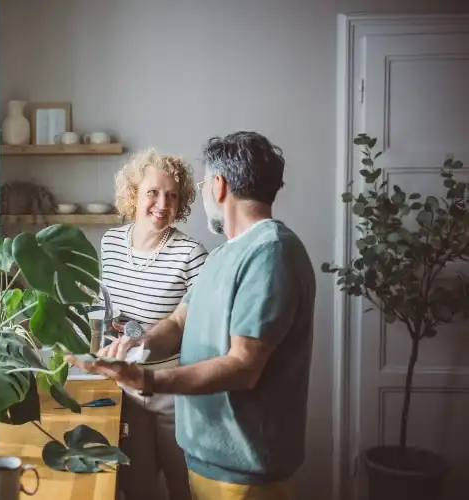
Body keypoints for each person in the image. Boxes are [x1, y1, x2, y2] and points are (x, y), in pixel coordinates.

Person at [73, 132, 316, 500]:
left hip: (244, 472)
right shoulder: (224, 255)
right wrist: (141, 343)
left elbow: (244, 366)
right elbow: (178, 322)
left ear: (218, 186)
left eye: (199, 185)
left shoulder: (270, 253)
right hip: (211, 458)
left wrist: (147, 379)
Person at [100, 148, 208, 500]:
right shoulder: (111, 243)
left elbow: (201, 328)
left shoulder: (191, 253)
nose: (163, 203)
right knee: (136, 489)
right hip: (125, 389)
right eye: (153, 192)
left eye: (173, 195)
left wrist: (146, 336)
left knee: (186, 488)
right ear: (134, 194)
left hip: (172, 390)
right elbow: (108, 309)